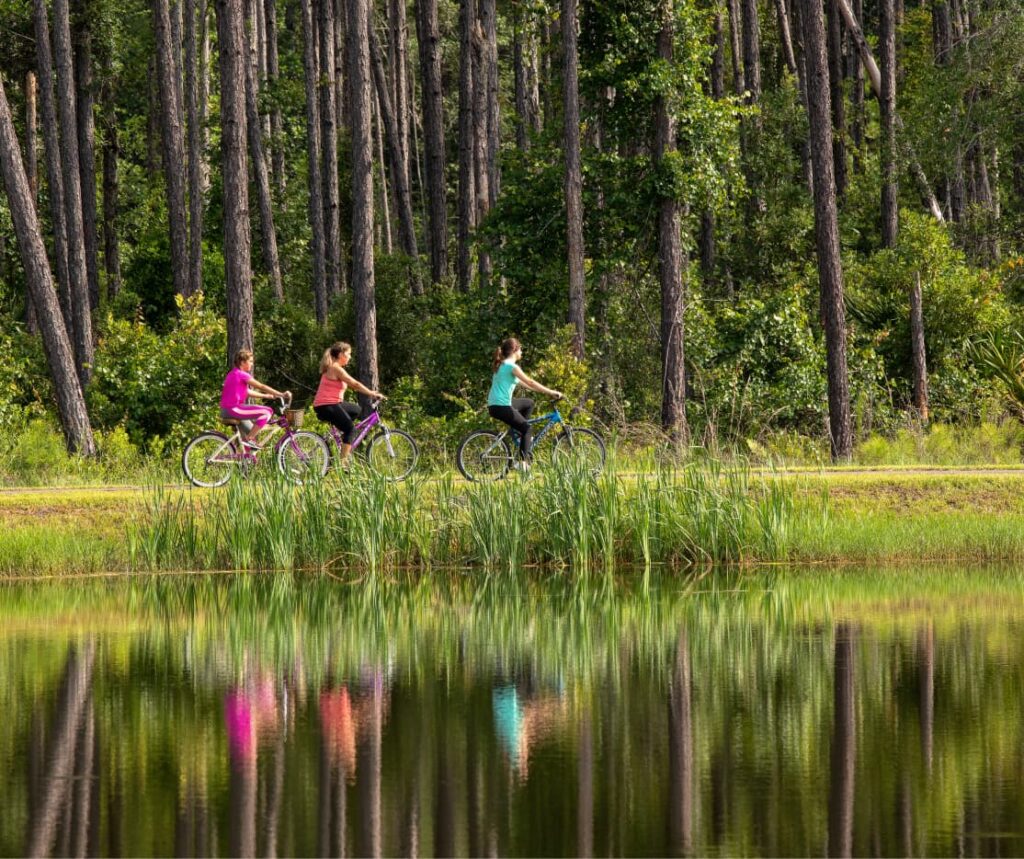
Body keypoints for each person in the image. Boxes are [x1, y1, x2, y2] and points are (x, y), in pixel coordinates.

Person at [487, 337, 562, 468]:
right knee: (528, 428)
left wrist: (545, 392)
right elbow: (531, 382)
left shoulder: (502, 365)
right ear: (515, 350)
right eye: (521, 349)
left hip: (496, 405)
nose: (522, 352)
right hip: (502, 406)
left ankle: (518, 433)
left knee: (529, 403)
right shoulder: (512, 367)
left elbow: (529, 386)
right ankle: (522, 463)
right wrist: (551, 392)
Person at [313, 342, 385, 465]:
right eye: (348, 354)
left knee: (356, 409)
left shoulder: (335, 368)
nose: (350, 357)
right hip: (326, 405)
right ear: (341, 354)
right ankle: (343, 463)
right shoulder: (335, 368)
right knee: (351, 429)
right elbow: (354, 384)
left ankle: (341, 434)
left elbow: (354, 386)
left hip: (330, 404)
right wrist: (371, 393)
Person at [220, 349, 290, 448]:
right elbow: (261, 386)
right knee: (267, 411)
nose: (252, 364)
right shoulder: (241, 374)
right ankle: (249, 439)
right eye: (250, 361)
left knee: (250, 431)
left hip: (228, 410)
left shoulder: (233, 373)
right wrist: (281, 394)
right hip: (233, 409)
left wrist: (266, 396)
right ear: (243, 362)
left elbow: (247, 392)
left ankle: (246, 459)